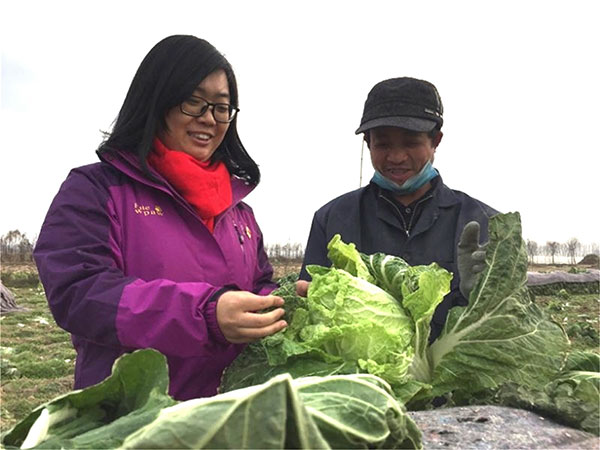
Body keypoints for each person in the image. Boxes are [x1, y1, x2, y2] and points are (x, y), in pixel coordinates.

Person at [33, 35, 287, 401]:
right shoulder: (96, 188)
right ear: (157, 101)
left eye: (221, 107)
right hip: (132, 417)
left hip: (227, 414)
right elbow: (80, 292)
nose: (210, 119)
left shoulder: (238, 211)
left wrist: (280, 304)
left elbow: (258, 284)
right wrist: (206, 315)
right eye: (193, 102)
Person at [297, 77, 498, 342]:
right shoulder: (332, 218)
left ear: (435, 141)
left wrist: (482, 298)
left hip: (456, 379)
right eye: (383, 144)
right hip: (360, 381)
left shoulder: (484, 222)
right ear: (368, 143)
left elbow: (506, 322)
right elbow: (307, 311)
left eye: (410, 142)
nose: (396, 157)